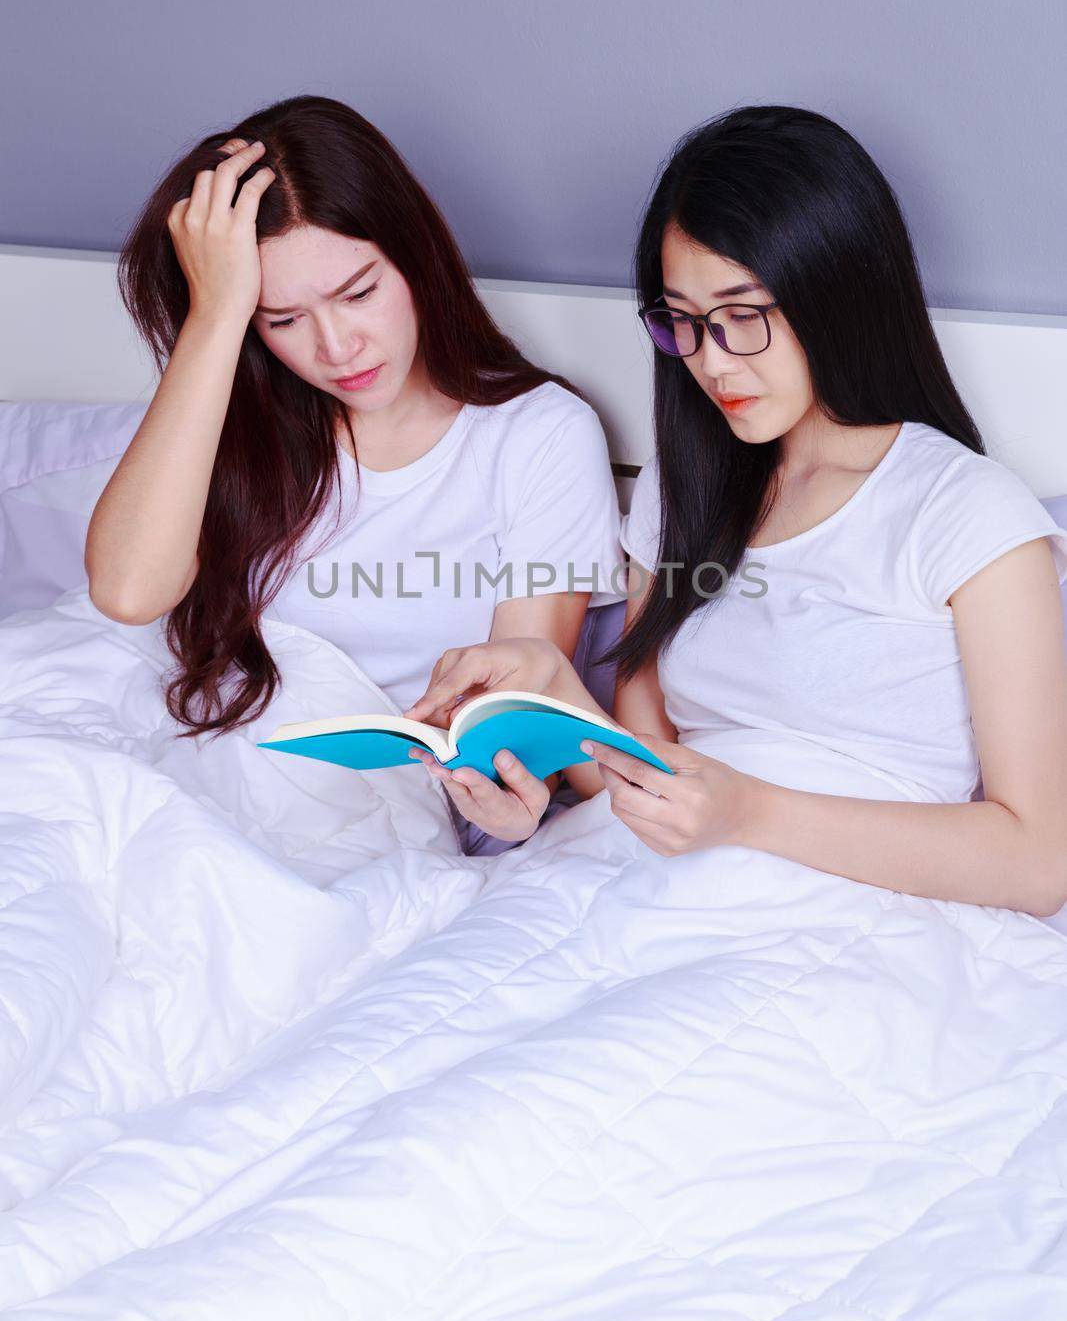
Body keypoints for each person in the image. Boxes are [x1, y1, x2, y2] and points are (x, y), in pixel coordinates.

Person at [403, 105, 1067, 916]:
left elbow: (1037, 863)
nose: (710, 362)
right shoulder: (680, 489)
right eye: (681, 322)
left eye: (742, 316)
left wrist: (749, 813)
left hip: (854, 909)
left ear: (837, 291)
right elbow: (652, 774)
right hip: (648, 881)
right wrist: (550, 692)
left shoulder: (964, 513)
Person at [86, 95, 623, 854]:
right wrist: (213, 318)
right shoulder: (230, 414)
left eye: (358, 292)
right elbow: (127, 591)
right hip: (184, 758)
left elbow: (513, 706)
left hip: (356, 814)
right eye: (281, 319)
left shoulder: (535, 436)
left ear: (416, 255)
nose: (337, 348)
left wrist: (507, 803)